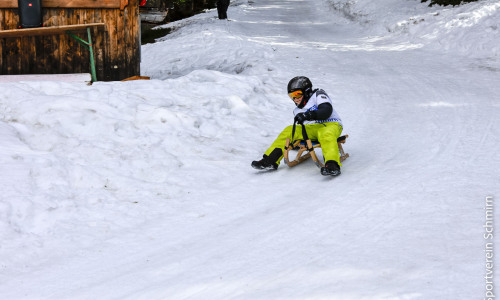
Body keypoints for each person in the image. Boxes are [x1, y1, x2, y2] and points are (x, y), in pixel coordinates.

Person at [251, 76, 344, 176]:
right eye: (292, 96)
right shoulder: (297, 111)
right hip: (312, 129)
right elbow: (303, 130)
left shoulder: (318, 95)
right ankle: (270, 160)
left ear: (306, 91)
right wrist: (295, 143)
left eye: (297, 94)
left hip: (331, 124)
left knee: (325, 133)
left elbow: (326, 110)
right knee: (289, 130)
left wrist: (308, 115)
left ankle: (332, 164)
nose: (295, 99)